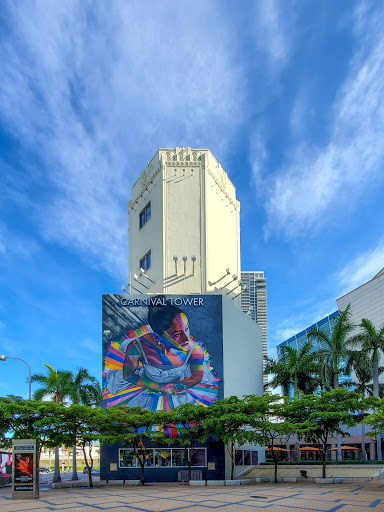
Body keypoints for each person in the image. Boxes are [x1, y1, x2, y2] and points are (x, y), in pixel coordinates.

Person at [104, 298, 220, 410]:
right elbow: (128, 374)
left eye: (187, 328)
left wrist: (178, 386)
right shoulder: (137, 346)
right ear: (157, 336)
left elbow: (196, 376)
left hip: (179, 394)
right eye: (177, 334)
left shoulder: (195, 350)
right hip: (146, 391)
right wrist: (161, 387)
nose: (186, 338)